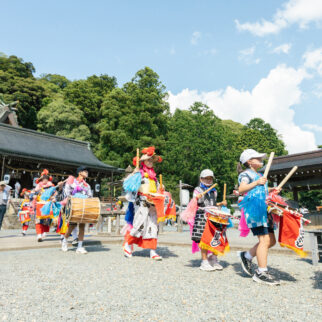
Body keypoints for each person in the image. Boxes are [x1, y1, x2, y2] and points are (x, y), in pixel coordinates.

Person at [237, 149, 281, 285]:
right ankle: (261, 272)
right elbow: (241, 189)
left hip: (265, 209)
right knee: (264, 240)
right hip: (255, 210)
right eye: (258, 158)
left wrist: (270, 190)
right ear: (249, 162)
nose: (261, 160)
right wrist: (257, 182)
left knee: (271, 241)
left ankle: (247, 255)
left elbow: (260, 189)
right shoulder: (246, 174)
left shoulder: (260, 174)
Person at [123, 147, 163, 260]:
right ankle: (127, 245)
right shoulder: (139, 174)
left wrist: (161, 189)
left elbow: (158, 189)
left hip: (153, 203)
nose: (150, 162)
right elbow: (126, 184)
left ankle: (153, 251)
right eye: (148, 160)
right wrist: (133, 174)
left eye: (151, 160)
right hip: (141, 202)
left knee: (153, 226)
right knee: (139, 224)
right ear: (143, 161)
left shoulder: (154, 177)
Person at [190, 169, 227, 271]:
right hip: (202, 215)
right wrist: (196, 198)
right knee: (204, 239)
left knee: (216, 237)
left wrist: (221, 203)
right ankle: (204, 261)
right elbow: (194, 203)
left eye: (210, 178)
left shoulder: (214, 190)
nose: (209, 180)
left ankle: (213, 259)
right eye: (206, 178)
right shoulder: (197, 190)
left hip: (214, 216)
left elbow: (213, 204)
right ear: (201, 179)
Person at [61, 166, 92, 254]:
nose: (87, 173)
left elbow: (90, 196)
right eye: (85, 171)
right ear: (80, 172)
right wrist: (75, 193)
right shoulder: (71, 181)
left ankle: (79, 247)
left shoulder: (87, 185)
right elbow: (67, 194)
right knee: (71, 226)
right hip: (74, 207)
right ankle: (64, 241)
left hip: (83, 207)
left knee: (82, 227)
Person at [33, 169, 54, 242]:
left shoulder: (51, 188)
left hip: (47, 205)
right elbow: (34, 196)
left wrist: (52, 198)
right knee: (38, 220)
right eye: (43, 179)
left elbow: (54, 196)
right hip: (39, 206)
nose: (45, 180)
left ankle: (44, 232)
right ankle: (39, 235)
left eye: (46, 179)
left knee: (46, 221)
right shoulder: (38, 188)